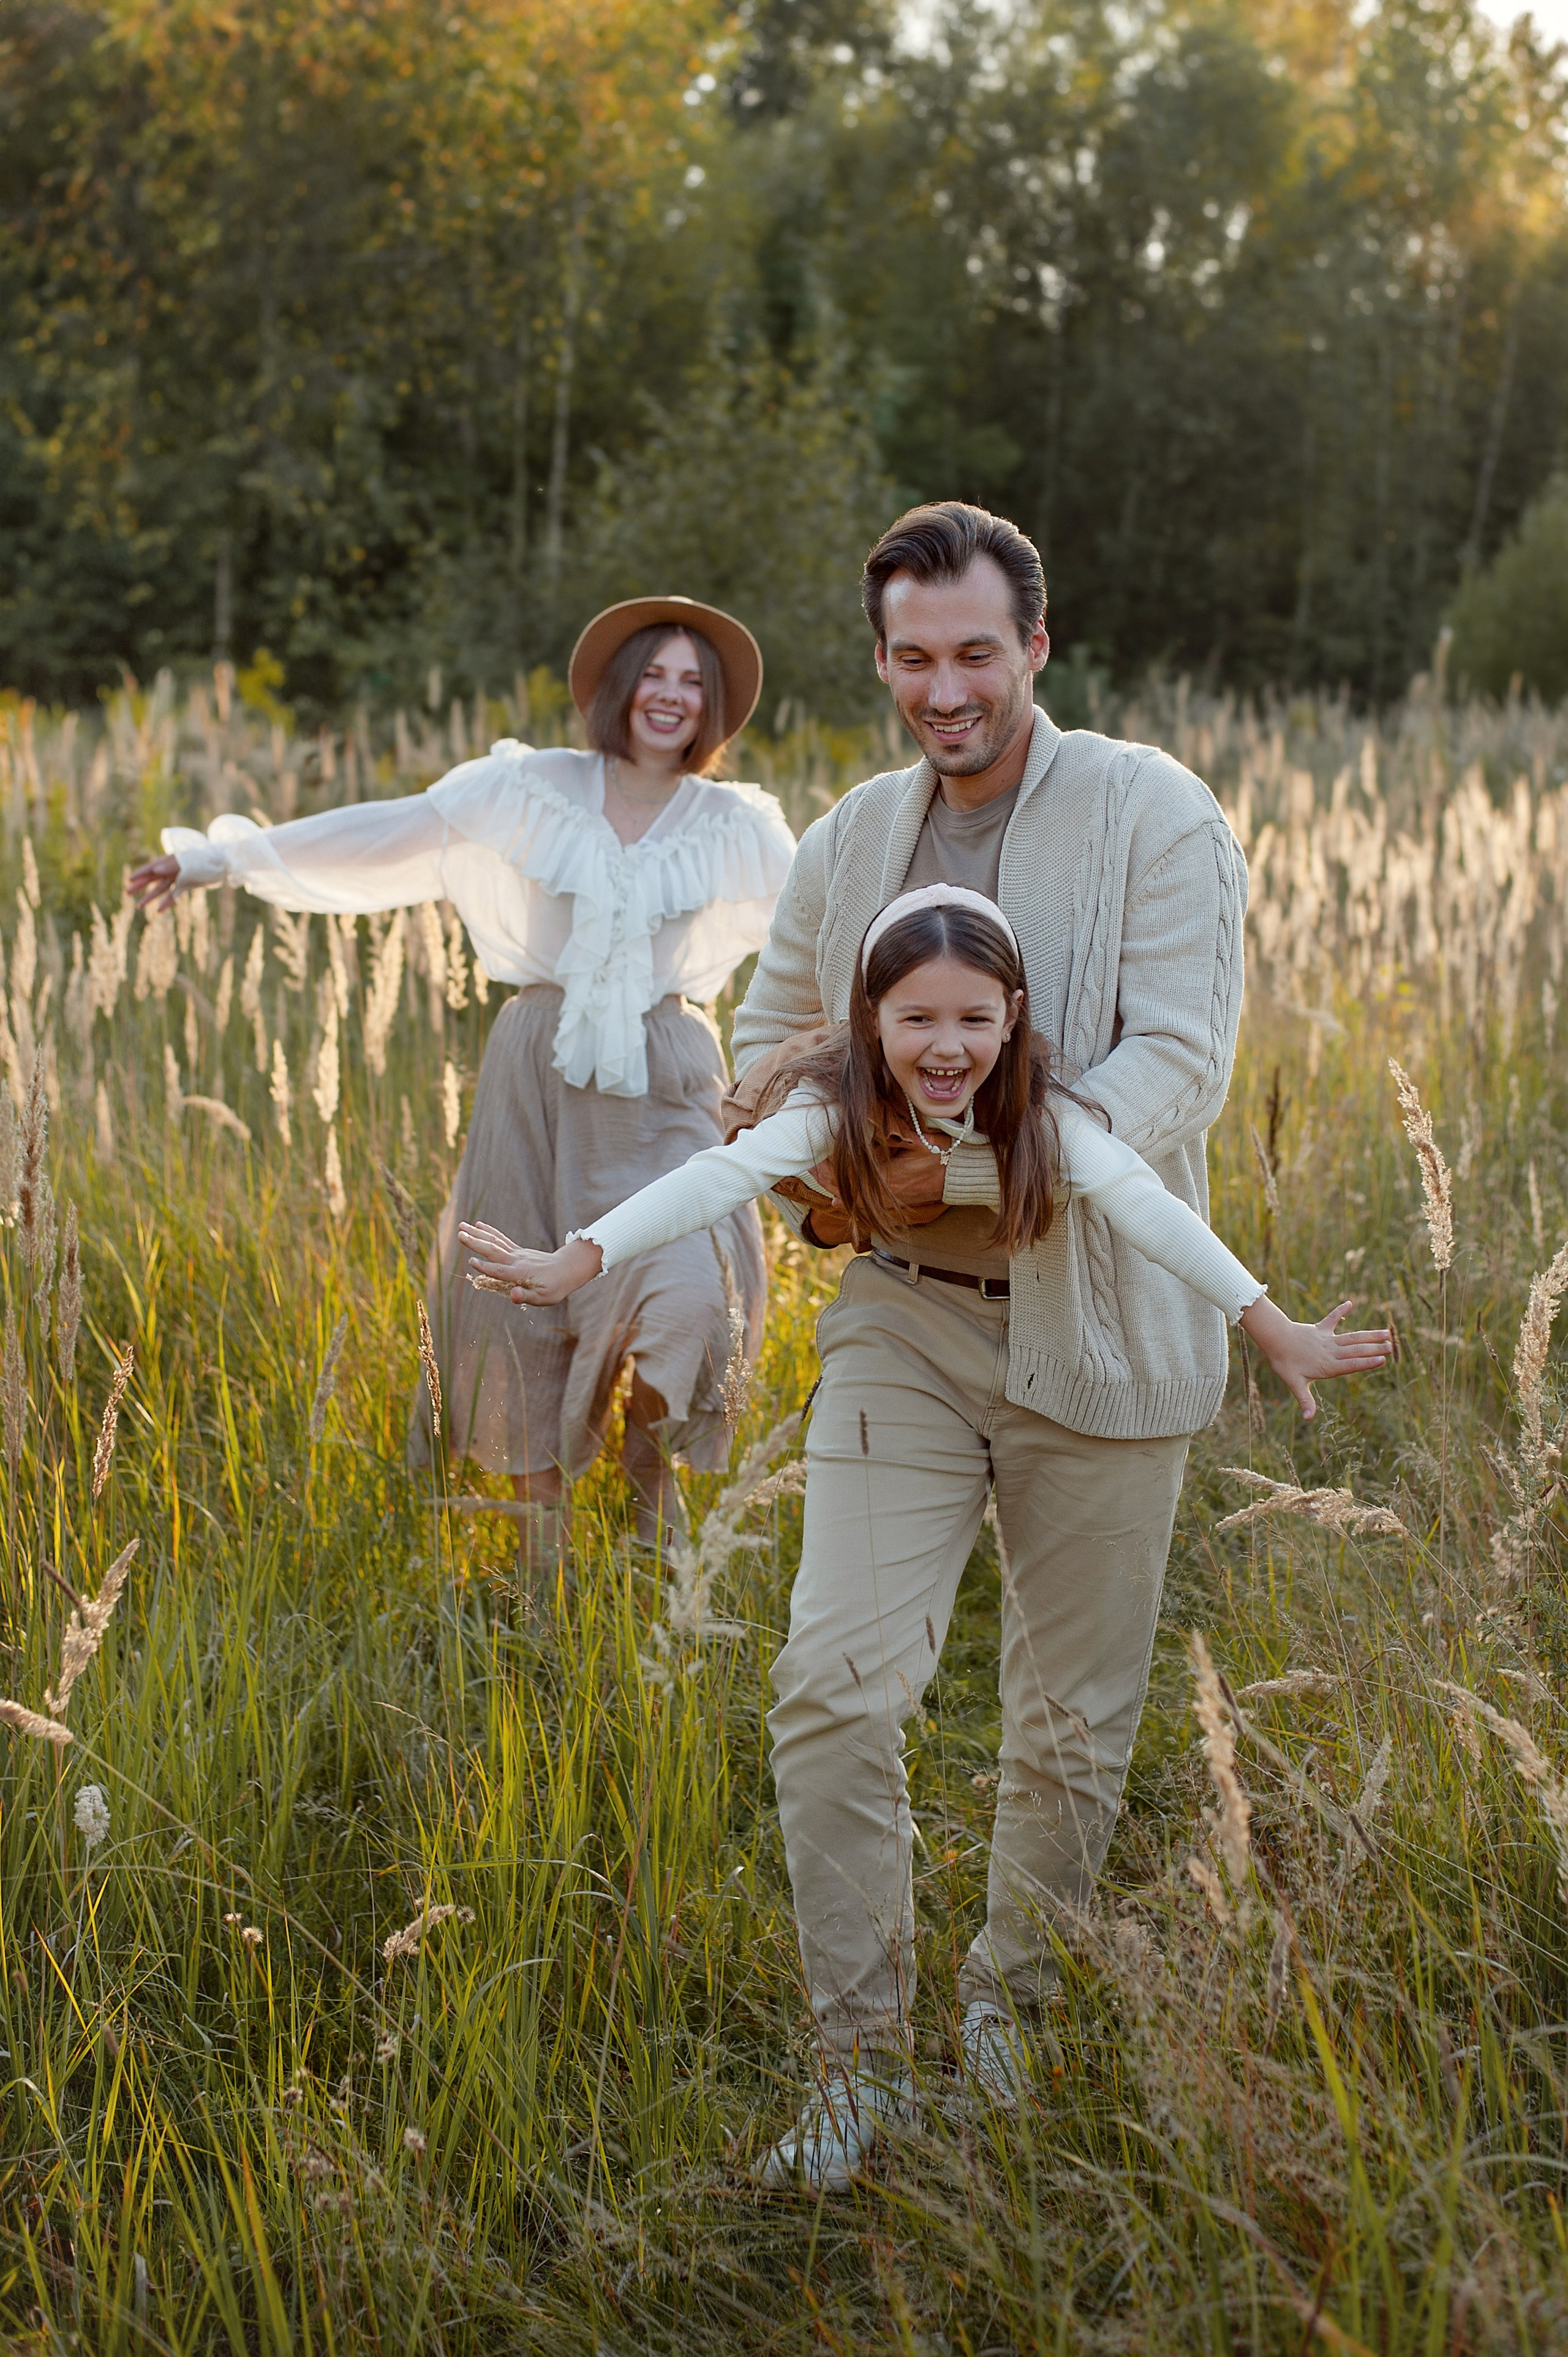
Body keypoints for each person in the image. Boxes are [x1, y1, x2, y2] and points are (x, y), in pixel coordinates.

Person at [459, 886, 1390, 2185]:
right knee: (828, 1691)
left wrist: (1267, 1323)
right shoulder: (832, 1100)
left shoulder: (1048, 1115)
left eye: (970, 1016)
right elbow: (722, 1171)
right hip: (905, 1330)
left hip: (1077, 1342)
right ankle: (861, 2064)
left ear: (1012, 1017)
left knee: (1071, 1713)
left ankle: (1008, 2009)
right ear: (870, 1018)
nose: (944, 1044)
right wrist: (580, 1256)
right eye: (915, 1018)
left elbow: (1139, 1200)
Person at [127, 597, 796, 1555]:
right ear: (620, 685)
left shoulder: (740, 823)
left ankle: (650, 1478)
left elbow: (831, 921)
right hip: (538, 1076)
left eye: (694, 682)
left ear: (714, 707)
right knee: (510, 1305)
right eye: (655, 673)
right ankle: (542, 1544)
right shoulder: (528, 786)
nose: (672, 695)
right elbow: (385, 833)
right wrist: (217, 859)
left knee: (690, 1293)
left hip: (665, 1092)